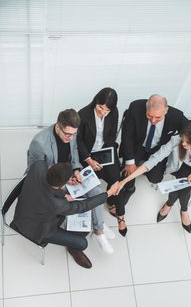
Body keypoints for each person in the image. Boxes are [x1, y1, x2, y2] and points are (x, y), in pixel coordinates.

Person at [27, 108, 115, 254]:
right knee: (77, 204)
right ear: (57, 126)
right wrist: (63, 181)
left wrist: (75, 170)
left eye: (74, 134)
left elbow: (74, 151)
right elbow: (36, 173)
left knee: (95, 189)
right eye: (67, 134)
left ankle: (98, 229)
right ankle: (98, 226)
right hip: (53, 181)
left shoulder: (71, 134)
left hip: (68, 174)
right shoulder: (39, 143)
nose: (71, 138)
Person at [11, 161, 119, 268]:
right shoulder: (56, 204)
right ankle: (73, 249)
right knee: (82, 243)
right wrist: (108, 193)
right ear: (61, 185)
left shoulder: (38, 165)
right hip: (35, 228)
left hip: (24, 209)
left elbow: (46, 188)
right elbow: (83, 206)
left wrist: (61, 192)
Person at [117, 121, 191, 233]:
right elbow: (154, 160)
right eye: (183, 139)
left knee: (182, 186)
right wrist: (125, 180)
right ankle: (183, 210)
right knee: (183, 187)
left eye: (187, 142)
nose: (183, 143)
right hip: (180, 165)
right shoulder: (176, 141)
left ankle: (170, 205)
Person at [77, 87, 127, 236]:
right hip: (87, 154)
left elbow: (111, 135)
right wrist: (89, 159)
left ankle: (121, 215)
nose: (102, 112)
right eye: (100, 107)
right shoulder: (83, 114)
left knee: (117, 181)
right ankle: (95, 222)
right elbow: (78, 141)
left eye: (107, 110)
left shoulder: (114, 111)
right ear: (96, 101)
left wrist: (105, 155)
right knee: (89, 186)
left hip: (104, 151)